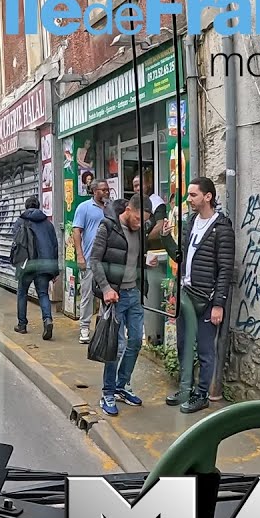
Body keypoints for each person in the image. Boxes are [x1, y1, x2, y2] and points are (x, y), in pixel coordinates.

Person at [158, 177, 235, 414]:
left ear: (207, 197)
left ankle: (201, 395)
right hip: (186, 295)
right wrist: (165, 239)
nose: (189, 199)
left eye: (193, 195)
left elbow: (225, 269)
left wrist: (219, 304)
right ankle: (185, 389)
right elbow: (181, 257)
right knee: (182, 345)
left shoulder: (222, 228)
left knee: (204, 350)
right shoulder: (191, 222)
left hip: (207, 298)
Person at [91, 194, 163, 417]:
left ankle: (122, 385)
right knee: (116, 346)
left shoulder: (138, 230)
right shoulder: (108, 227)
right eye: (139, 219)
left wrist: (145, 263)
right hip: (115, 295)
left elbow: (130, 258)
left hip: (134, 294)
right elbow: (95, 260)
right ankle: (108, 392)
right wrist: (106, 289)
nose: (141, 224)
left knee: (134, 342)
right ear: (130, 210)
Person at [10, 196, 59, 341]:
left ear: (26, 207)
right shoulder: (48, 224)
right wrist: (54, 270)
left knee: (22, 293)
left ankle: (22, 325)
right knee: (43, 294)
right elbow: (55, 246)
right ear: (38, 206)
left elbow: (16, 243)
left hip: (27, 264)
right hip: (44, 264)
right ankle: (47, 320)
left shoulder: (20, 221)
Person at [72, 180, 109, 344]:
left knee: (106, 294)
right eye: (103, 190)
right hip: (89, 260)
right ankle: (84, 327)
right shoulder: (84, 208)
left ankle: (102, 327)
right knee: (87, 295)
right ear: (94, 191)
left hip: (107, 260)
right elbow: (76, 231)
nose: (107, 192)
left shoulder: (111, 208)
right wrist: (80, 256)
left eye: (108, 189)